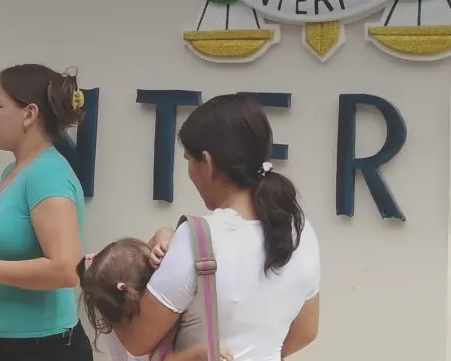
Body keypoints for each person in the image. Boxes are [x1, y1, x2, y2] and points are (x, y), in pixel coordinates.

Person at [111, 95, 320, 361]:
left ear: (207, 162)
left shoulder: (198, 239)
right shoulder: (300, 230)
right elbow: (306, 331)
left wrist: (102, 286)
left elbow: (138, 340)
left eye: (189, 159)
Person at [0, 64, 91, 361]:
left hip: (43, 348)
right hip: (7, 343)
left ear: (29, 114)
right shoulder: (16, 170)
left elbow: (66, 269)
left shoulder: (47, 175)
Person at [76, 238, 232, 361]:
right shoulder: (141, 332)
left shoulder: (113, 317)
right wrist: (197, 354)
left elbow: (163, 232)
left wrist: (162, 242)